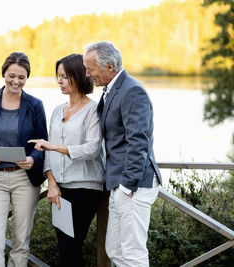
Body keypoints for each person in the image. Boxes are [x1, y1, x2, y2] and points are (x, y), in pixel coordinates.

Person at [83, 41, 163, 267]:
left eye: (91, 69)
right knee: (114, 249)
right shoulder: (112, 90)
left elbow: (138, 141)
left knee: (133, 252)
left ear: (110, 67)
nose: (88, 74)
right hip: (118, 184)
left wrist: (127, 186)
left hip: (133, 185)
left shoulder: (132, 90)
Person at [0, 52, 48, 267]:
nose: (16, 81)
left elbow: (42, 143)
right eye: (11, 75)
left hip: (25, 179)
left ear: (27, 78)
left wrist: (33, 159)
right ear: (3, 73)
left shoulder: (35, 105)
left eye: (21, 77)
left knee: (21, 241)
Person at [29, 54, 105, 267]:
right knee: (64, 248)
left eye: (65, 76)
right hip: (59, 189)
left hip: (85, 188)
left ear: (79, 76)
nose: (60, 81)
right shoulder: (56, 111)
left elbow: (92, 149)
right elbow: (47, 153)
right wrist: (51, 184)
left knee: (71, 247)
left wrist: (53, 146)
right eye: (59, 76)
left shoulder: (93, 110)